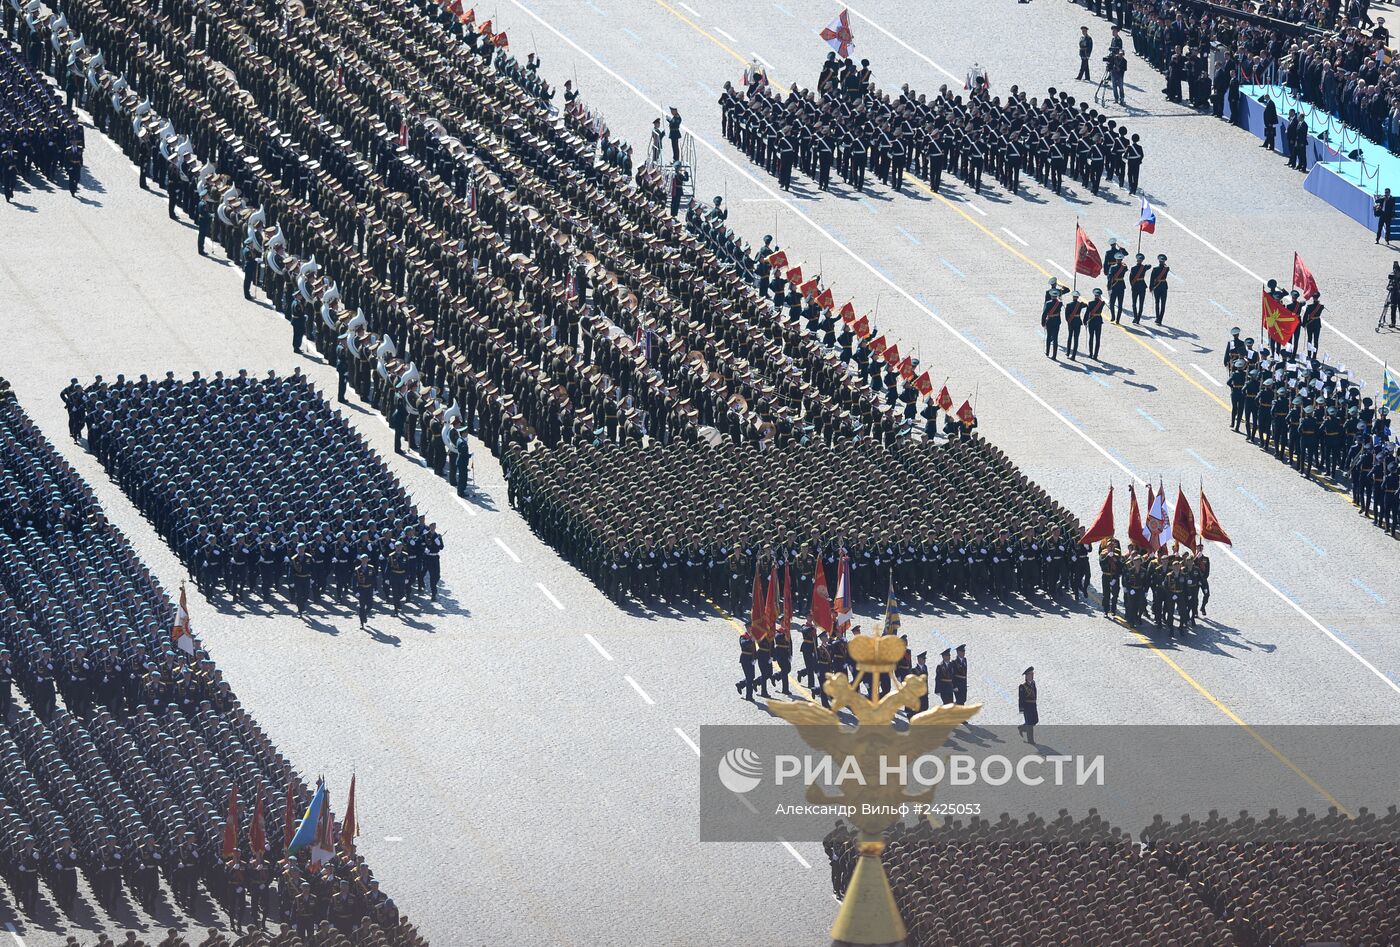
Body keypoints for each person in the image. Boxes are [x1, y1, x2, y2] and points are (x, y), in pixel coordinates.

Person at [1017, 666, 1038, 744]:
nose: (1032, 675)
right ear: (1026, 676)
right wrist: (1021, 708)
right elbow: (1021, 698)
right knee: (1029, 724)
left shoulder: (1033, 683)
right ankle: (1030, 741)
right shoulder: (1022, 686)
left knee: (1035, 720)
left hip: (1033, 705)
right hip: (1027, 706)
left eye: (1033, 674)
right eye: (1030, 674)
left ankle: (1022, 728)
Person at [1042, 288, 1064, 360]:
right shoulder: (1060, 303)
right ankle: (1054, 355)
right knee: (1055, 338)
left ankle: (1047, 352)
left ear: (1051, 296)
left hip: (1050, 321)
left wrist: (1043, 322)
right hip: (1057, 321)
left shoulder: (1048, 303)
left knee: (1048, 336)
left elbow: (1044, 313)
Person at [1085, 288, 1107, 359]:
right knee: (1098, 339)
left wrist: (1085, 321)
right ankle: (1095, 355)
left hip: (1091, 321)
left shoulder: (1090, 303)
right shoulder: (1102, 303)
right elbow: (1102, 301)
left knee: (1091, 338)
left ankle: (1091, 354)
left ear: (1094, 295)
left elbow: (1087, 313)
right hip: (1098, 321)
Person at [1150, 253, 1170, 324]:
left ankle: (1157, 317)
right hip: (1164, 286)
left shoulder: (1155, 269)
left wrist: (1151, 287)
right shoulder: (1167, 268)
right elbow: (1166, 267)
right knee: (1163, 304)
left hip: (1157, 287)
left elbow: (1152, 279)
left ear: (1159, 261)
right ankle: (1160, 319)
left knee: (1157, 303)